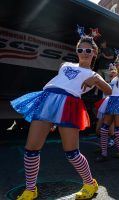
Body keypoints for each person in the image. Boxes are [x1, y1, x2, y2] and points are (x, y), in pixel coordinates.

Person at [11, 36, 112, 200]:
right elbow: (62, 82)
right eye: (80, 50)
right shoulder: (65, 65)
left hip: (70, 104)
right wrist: (53, 117)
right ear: (77, 51)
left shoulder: (94, 74)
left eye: (88, 50)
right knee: (31, 149)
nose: (84, 53)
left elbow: (109, 91)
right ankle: (30, 189)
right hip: (48, 100)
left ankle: (90, 184)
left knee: (72, 152)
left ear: (94, 53)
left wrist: (96, 80)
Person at [95, 54, 119, 163]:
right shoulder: (115, 76)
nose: (118, 64)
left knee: (118, 131)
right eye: (116, 62)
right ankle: (104, 154)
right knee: (104, 129)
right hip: (111, 101)